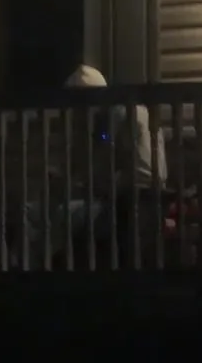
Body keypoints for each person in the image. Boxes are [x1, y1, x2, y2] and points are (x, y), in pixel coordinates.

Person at [64, 64, 168, 270]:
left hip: (134, 199)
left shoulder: (116, 114)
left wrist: (82, 184)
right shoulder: (133, 110)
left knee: (62, 216)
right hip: (149, 197)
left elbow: (106, 163)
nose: (77, 114)